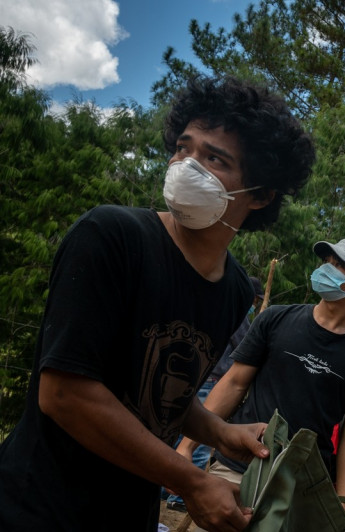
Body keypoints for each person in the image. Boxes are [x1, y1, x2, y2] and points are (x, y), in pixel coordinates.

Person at [0, 76, 315, 532]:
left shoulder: (234, 291)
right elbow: (65, 394)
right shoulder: (111, 237)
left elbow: (159, 397)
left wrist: (219, 431)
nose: (187, 166)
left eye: (214, 159)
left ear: (261, 194)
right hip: (37, 508)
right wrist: (191, 481)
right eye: (183, 148)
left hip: (131, 514)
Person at [177, 237, 345, 517]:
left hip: (300, 485)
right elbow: (235, 382)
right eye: (327, 263)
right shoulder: (276, 319)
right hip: (238, 468)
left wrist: (343, 501)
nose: (326, 270)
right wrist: (187, 445)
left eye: (339, 267)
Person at [164, 276, 266, 512]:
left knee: (181, 436)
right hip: (213, 381)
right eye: (254, 300)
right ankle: (182, 496)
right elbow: (247, 347)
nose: (254, 304)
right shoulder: (238, 314)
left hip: (196, 377)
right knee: (198, 445)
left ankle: (173, 488)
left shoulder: (207, 307)